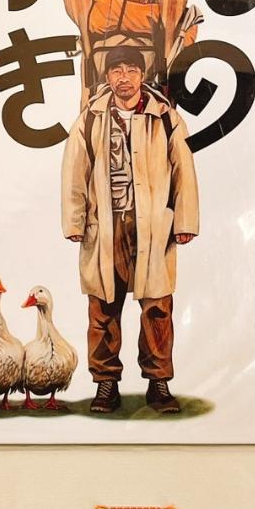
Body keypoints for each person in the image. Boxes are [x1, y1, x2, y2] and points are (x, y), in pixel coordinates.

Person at [60, 46, 199, 414]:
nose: (124, 78)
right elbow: (75, 173)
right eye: (116, 71)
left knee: (157, 306)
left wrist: (184, 221)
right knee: (103, 306)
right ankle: (106, 383)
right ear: (107, 77)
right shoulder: (89, 119)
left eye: (131, 70)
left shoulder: (165, 117)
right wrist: (74, 221)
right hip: (106, 226)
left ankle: (159, 383)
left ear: (142, 75)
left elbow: (183, 169)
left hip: (153, 225)